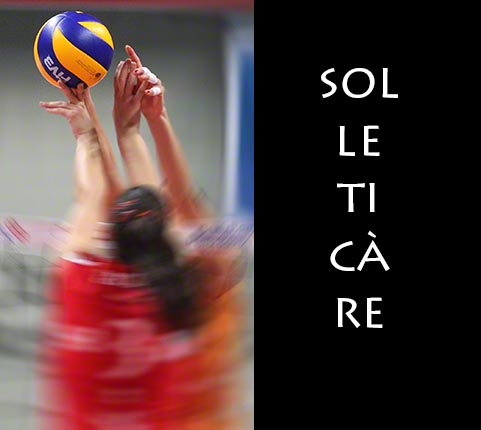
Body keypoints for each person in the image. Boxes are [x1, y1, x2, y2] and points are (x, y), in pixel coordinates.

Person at [38, 45, 247, 430]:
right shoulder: (195, 295)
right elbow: (156, 204)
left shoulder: (86, 285)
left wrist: (97, 122)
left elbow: (99, 200)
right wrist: (135, 124)